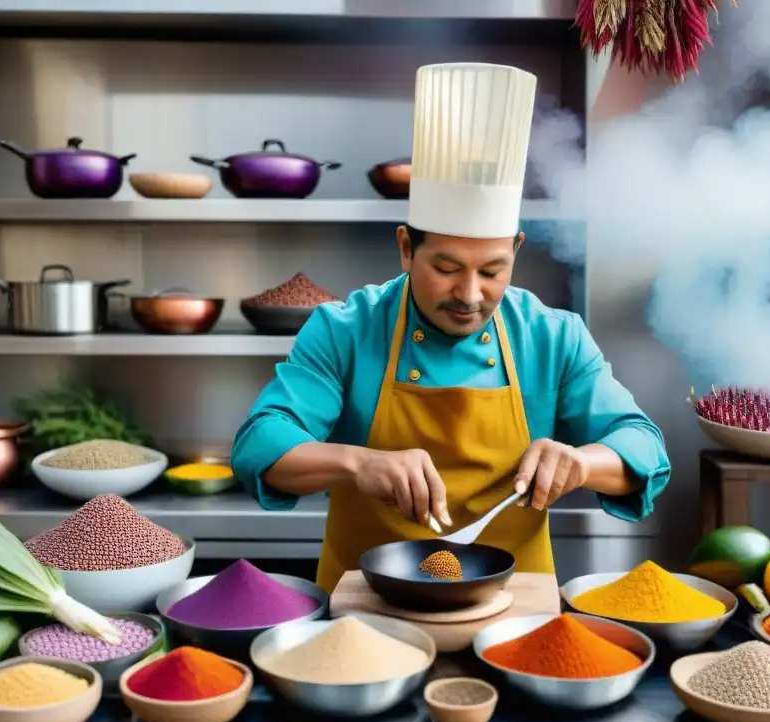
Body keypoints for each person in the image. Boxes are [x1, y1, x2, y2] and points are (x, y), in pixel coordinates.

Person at [232, 63, 670, 593]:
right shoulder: (346, 328)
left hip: (513, 615)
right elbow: (260, 445)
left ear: (516, 252)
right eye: (445, 268)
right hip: (366, 607)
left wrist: (580, 462)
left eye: (492, 271)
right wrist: (355, 463)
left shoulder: (553, 336)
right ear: (405, 249)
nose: (468, 295)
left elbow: (643, 448)